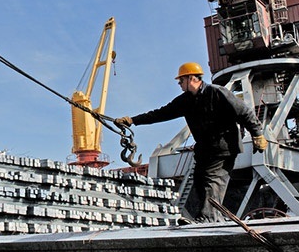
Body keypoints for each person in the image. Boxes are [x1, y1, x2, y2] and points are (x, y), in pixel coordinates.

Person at [114, 62, 268, 223]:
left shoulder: (216, 93)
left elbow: (244, 112)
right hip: (205, 150)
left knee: (212, 181)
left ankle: (207, 218)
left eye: (181, 81)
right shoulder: (185, 101)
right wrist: (132, 120)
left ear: (192, 78)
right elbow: (160, 114)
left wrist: (257, 135)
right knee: (200, 181)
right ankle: (213, 217)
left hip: (224, 148)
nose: (179, 84)